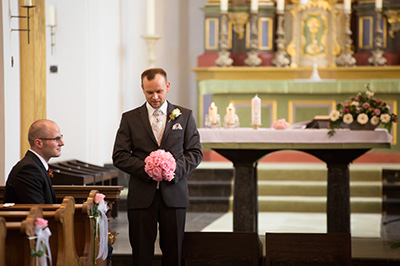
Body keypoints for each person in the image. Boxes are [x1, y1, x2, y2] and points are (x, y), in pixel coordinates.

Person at [112, 68, 203, 266]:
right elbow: (119, 156)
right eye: (149, 92)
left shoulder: (184, 116)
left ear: (168, 87)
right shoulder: (130, 118)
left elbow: (195, 152)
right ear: (142, 89)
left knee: (174, 253)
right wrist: (147, 169)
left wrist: (173, 169)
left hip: (175, 195)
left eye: (159, 91)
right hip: (142, 197)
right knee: (141, 254)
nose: (155, 97)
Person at [3, 119, 64, 204]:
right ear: (39, 143)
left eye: (60, 138)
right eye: (56, 139)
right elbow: (37, 211)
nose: (62, 143)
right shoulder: (28, 170)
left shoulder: (36, 165)